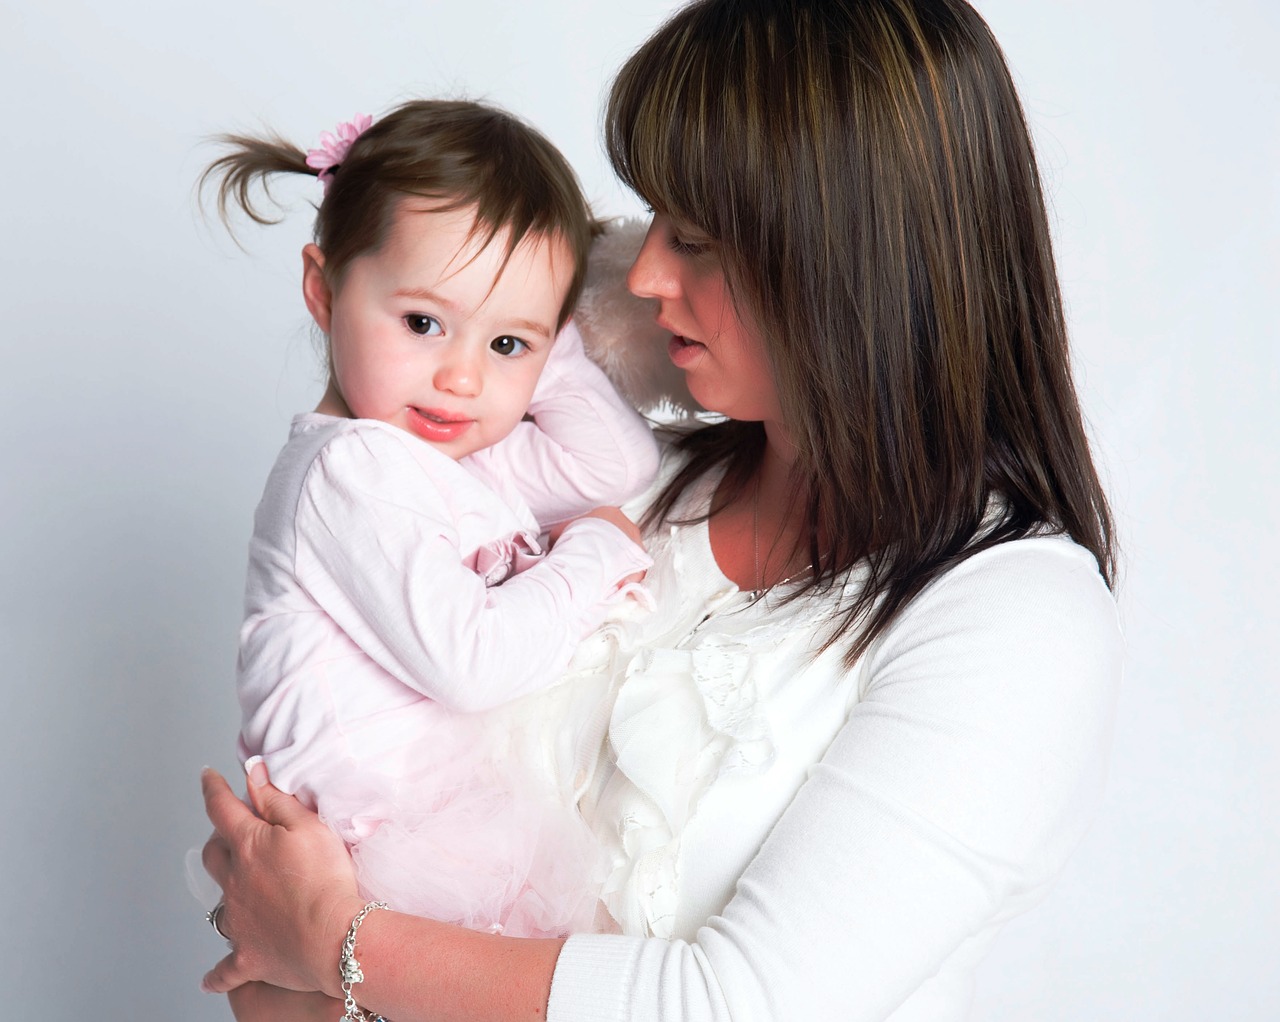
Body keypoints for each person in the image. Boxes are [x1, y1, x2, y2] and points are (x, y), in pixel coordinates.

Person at [199, 1, 1124, 1019]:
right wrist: (528, 306)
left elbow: (735, 1001)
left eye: (691, 238)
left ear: (842, 261)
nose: (641, 272)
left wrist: (336, 941)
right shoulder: (618, 488)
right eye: (644, 227)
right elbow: (291, 907)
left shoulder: (1010, 617)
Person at [202, 99, 660, 940]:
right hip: (372, 862)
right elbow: (472, 665)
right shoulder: (348, 472)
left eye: (505, 348)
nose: (460, 379)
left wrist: (542, 333)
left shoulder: (452, 460)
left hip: (446, 854)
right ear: (322, 287)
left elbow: (617, 467)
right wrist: (596, 555)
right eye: (424, 323)